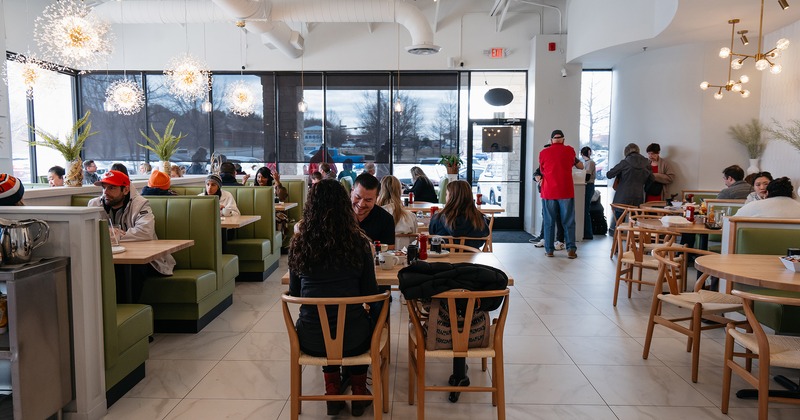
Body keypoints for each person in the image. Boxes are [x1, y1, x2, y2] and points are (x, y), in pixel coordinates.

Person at [288, 179, 380, 416]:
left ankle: (332, 391)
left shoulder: (299, 243)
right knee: (359, 323)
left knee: (326, 323)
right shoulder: (359, 243)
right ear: (344, 206)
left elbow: (296, 293)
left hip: (311, 339)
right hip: (354, 339)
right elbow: (370, 293)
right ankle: (358, 392)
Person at [88, 170, 175, 299]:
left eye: (112, 188)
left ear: (125, 189)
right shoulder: (94, 204)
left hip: (147, 260)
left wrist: (115, 235)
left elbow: (145, 232)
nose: (105, 192)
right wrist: (108, 233)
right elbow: (89, 232)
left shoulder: (140, 204)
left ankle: (128, 309)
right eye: (104, 187)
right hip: (110, 256)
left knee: (129, 269)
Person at [538, 130, 583, 259]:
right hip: (565, 191)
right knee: (568, 221)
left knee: (549, 222)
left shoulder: (543, 153)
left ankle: (549, 250)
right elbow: (577, 165)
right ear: (563, 139)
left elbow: (542, 170)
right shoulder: (570, 151)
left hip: (549, 191)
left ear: (551, 140)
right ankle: (571, 250)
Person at [429, 180, 490, 249]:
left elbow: (432, 240)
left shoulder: (437, 218)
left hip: (443, 255)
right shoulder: (479, 220)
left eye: (446, 194)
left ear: (451, 197)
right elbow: (482, 240)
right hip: (472, 255)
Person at [607, 143, 654, 224]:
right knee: (635, 224)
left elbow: (609, 175)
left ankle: (618, 232)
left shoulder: (625, 162)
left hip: (622, 198)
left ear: (626, 152)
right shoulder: (646, 163)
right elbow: (652, 178)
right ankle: (633, 232)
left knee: (618, 224)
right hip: (638, 197)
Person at [352, 173, 395, 247]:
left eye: (368, 200)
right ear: (352, 191)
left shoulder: (386, 219)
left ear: (376, 198)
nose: (361, 204)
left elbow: (389, 249)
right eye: (358, 197)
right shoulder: (338, 213)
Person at [377, 175, 417, 249]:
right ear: (399, 191)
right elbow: (413, 241)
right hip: (404, 253)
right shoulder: (410, 216)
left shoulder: (374, 215)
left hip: (380, 254)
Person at [580, 147, 596, 240]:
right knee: (585, 209)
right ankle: (586, 232)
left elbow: (587, 176)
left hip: (589, 186)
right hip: (588, 186)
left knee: (585, 210)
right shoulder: (588, 162)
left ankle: (588, 233)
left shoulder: (589, 163)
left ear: (582, 154)